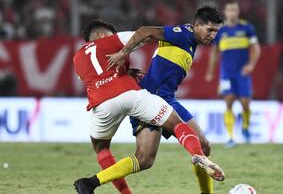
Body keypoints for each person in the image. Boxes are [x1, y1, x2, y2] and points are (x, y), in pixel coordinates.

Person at [73, 19, 225, 194]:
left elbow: (93, 76)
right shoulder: (114, 40)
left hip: (102, 105)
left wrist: (124, 71)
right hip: (134, 95)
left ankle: (92, 184)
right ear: (100, 35)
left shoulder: (77, 57)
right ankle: (197, 155)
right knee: (177, 125)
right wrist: (125, 51)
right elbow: (144, 34)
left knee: (104, 149)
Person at [205, 0, 261, 146]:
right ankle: (230, 137)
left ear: (238, 11)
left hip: (242, 73)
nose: (232, 13)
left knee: (245, 103)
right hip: (227, 73)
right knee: (228, 102)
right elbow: (215, 52)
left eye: (235, 10)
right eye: (230, 10)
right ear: (225, 12)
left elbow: (256, 48)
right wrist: (211, 72)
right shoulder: (220, 31)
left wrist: (251, 65)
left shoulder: (247, 28)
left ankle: (246, 127)